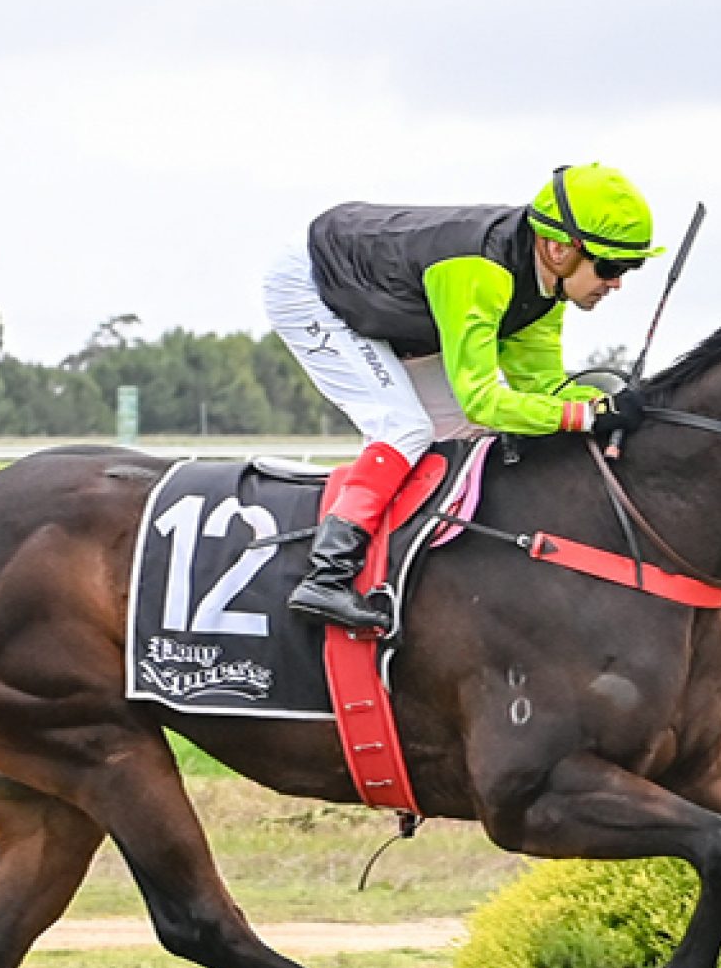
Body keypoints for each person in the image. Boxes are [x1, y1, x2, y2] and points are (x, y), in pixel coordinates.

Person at [264, 163, 661, 631]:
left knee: (471, 434)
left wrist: (602, 404)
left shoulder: (547, 290)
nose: (616, 284)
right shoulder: (479, 273)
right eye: (610, 267)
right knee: (405, 426)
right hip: (314, 287)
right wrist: (582, 416)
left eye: (629, 269)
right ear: (558, 248)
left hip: (379, 293)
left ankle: (417, 571)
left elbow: (541, 388)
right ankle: (326, 575)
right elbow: (483, 398)